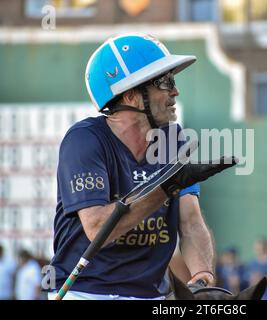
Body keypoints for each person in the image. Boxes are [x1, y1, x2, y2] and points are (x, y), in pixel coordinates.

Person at [48, 34, 236, 300]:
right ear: (132, 96)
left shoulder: (173, 139)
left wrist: (202, 277)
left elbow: (191, 221)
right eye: (164, 82)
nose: (175, 91)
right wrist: (168, 186)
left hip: (152, 295)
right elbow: (99, 228)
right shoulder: (84, 140)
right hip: (87, 291)